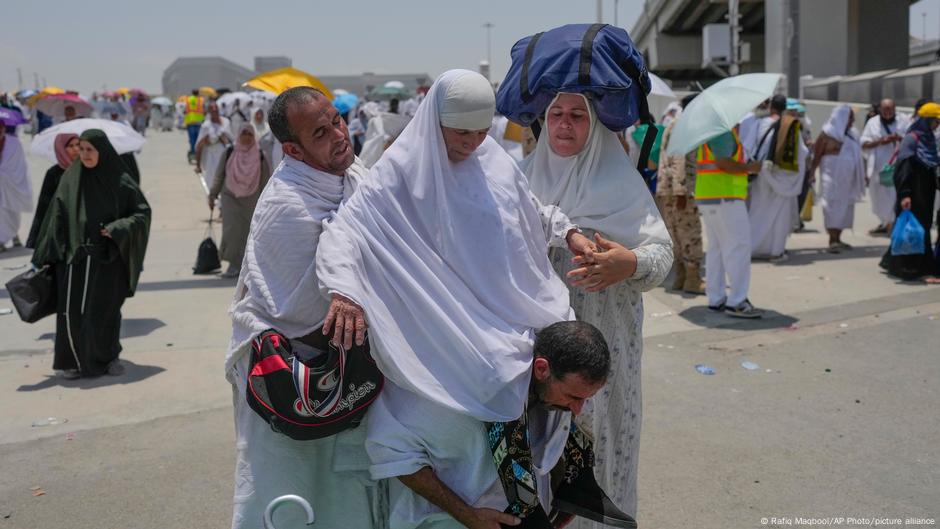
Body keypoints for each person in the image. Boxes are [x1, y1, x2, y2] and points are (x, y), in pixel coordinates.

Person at [315, 70, 598, 526]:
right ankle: (509, 506)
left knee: (565, 375)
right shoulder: (398, 174)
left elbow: (532, 212)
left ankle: (556, 494)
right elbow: (342, 232)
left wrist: (570, 234)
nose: (472, 142)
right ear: (434, 121)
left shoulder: (494, 163)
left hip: (511, 309)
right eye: (461, 132)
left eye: (481, 131)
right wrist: (343, 291)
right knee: (496, 378)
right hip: (446, 321)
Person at [224, 86, 381, 529]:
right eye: (320, 133)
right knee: (287, 497)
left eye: (336, 120)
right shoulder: (287, 206)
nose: (339, 135)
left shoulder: (353, 174)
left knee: (346, 501)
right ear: (293, 150)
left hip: (345, 372)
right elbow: (295, 310)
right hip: (290, 378)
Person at [521, 91, 674, 523]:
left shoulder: (619, 182)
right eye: (556, 114)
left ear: (596, 125)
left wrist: (629, 263)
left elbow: (662, 254)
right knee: (539, 458)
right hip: (539, 355)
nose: (564, 124)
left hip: (609, 346)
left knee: (604, 447)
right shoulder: (521, 179)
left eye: (577, 115)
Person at [365, 321, 611, 529]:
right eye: (573, 397)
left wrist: (564, 484)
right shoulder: (449, 402)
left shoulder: (543, 389)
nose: (578, 409)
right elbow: (394, 455)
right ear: (541, 368)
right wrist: (467, 515)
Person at [30, 129, 151, 379]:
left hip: (108, 259)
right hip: (74, 261)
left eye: (89, 149)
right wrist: (48, 252)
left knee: (106, 311)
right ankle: (72, 362)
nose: (83, 154)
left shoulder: (120, 181)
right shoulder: (71, 179)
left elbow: (141, 214)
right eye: (81, 148)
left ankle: (109, 358)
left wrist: (118, 228)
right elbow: (55, 215)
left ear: (102, 151)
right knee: (71, 313)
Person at [696, 127, 764, 317]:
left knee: (716, 249)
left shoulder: (709, 131)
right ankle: (737, 302)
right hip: (726, 197)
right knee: (738, 247)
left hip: (710, 195)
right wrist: (751, 168)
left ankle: (716, 298)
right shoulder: (723, 132)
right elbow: (724, 163)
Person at [879, 102, 940, 283]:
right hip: (913, 193)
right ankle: (916, 270)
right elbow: (903, 169)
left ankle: (893, 263)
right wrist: (905, 194)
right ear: (926, 120)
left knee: (915, 229)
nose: (937, 125)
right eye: (936, 121)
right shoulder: (912, 139)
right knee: (915, 231)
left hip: (925, 192)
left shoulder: (928, 138)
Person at [748, 94, 809, 260]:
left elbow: (748, 148)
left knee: (758, 210)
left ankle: (752, 248)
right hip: (783, 176)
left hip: (761, 173)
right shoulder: (791, 125)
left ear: (771, 107)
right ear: (785, 108)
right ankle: (776, 251)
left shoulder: (758, 124)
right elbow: (802, 152)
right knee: (780, 215)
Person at [209, 123, 271, 279]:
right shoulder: (229, 152)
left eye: (250, 134)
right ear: (238, 135)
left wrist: (268, 202)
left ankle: (247, 266)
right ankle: (233, 264)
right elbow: (219, 175)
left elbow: (266, 181)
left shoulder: (260, 155)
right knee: (231, 231)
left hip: (252, 198)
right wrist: (212, 194)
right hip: (230, 196)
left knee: (248, 232)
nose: (246, 137)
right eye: (244, 133)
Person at [657, 94, 705, 293]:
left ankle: (681, 276)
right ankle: (692, 278)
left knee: (676, 233)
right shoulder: (686, 125)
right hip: (680, 189)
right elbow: (680, 158)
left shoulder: (674, 123)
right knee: (690, 233)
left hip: (667, 188)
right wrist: (681, 191)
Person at [809, 105, 866, 253]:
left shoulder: (853, 134)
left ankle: (838, 239)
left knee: (846, 207)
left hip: (848, 179)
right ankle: (832, 240)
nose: (852, 121)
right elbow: (817, 155)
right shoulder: (827, 134)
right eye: (850, 118)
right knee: (831, 205)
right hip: (831, 178)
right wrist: (812, 173)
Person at [861, 98, 907, 235]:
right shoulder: (872, 123)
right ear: (880, 110)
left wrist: (899, 138)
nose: (887, 113)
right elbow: (864, 143)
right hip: (878, 169)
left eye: (890, 110)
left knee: (893, 196)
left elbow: (911, 139)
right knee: (879, 198)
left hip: (897, 166)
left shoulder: (903, 121)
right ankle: (885, 223)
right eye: (885, 110)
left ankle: (892, 224)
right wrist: (881, 141)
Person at [26, 133, 79, 248]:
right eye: (70, 146)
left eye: (78, 145)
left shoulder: (86, 169)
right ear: (61, 149)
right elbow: (44, 205)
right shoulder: (54, 173)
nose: (76, 149)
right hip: (61, 225)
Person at [0, 121, 32, 250]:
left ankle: (15, 235)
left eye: (1, 127)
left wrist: (4, 172)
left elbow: (19, 164)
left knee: (13, 211)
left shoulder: (14, 143)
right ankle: (1, 241)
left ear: (4, 128)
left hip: (11, 183)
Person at [195, 102, 233, 192]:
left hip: (225, 155)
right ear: (209, 112)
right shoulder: (206, 126)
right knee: (211, 179)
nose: (215, 111)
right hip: (211, 157)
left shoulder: (226, 122)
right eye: (212, 109)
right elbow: (199, 145)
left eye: (216, 109)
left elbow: (231, 138)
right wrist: (198, 165)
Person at [184, 89, 206, 158]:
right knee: (198, 139)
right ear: (198, 93)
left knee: (192, 139)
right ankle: (198, 152)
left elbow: (185, 111)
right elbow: (204, 110)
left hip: (190, 122)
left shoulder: (188, 99)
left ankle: (193, 153)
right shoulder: (201, 100)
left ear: (192, 93)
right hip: (199, 122)